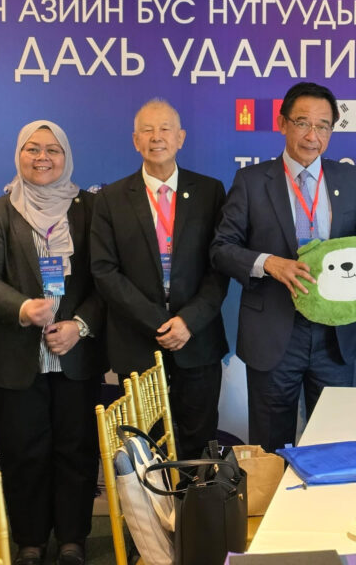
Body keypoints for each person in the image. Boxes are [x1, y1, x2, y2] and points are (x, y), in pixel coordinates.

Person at [0, 121, 105, 565]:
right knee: (24, 452)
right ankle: (29, 540)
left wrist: (79, 325)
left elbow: (109, 278)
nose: (42, 158)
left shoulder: (91, 209)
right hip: (16, 358)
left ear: (66, 157)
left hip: (75, 357)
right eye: (32, 149)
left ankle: (73, 539)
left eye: (52, 150)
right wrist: (22, 308)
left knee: (76, 450)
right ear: (19, 155)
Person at [211, 82, 356, 452]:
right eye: (302, 123)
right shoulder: (252, 181)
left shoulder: (348, 179)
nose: (312, 136)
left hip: (334, 335)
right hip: (275, 333)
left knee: (333, 444)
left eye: (323, 126)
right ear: (283, 123)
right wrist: (269, 263)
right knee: (272, 448)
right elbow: (221, 249)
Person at [91, 99, 228, 460]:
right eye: (147, 130)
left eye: (165, 129)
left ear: (180, 137)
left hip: (196, 339)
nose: (157, 137)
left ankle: (196, 500)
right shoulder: (110, 198)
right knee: (144, 448)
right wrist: (160, 322)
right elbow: (104, 270)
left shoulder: (210, 192)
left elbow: (220, 266)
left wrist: (188, 321)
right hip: (137, 341)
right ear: (135, 140)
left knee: (199, 444)